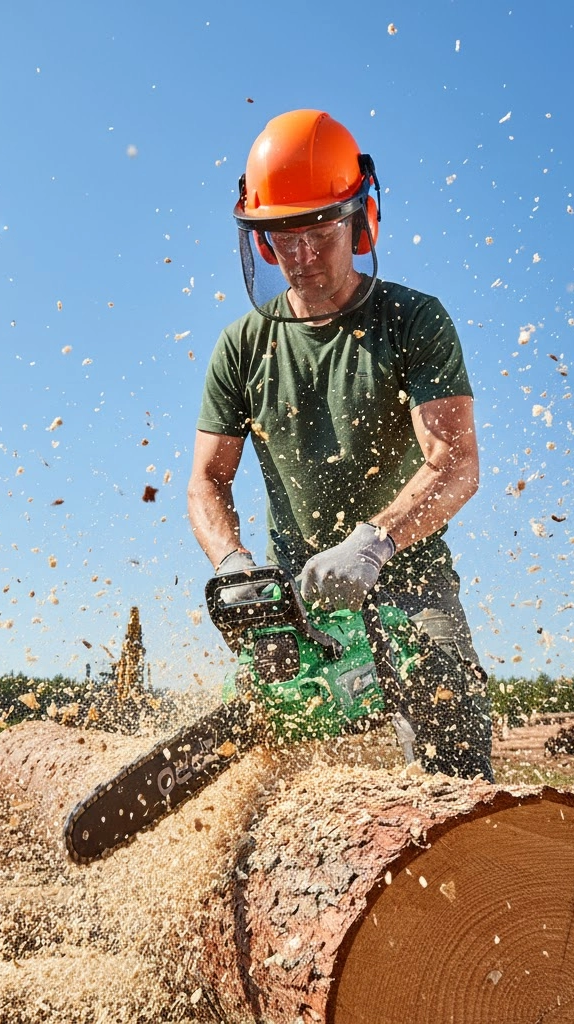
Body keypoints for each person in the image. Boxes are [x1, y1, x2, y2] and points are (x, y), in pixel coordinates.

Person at [187, 109, 492, 781]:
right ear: (260, 243)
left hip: (405, 575)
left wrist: (375, 542)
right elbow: (208, 479)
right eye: (283, 237)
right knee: (255, 751)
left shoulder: (413, 320)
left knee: (447, 696)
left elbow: (458, 464)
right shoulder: (243, 345)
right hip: (297, 593)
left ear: (359, 222)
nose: (301, 256)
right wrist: (233, 563)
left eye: (318, 232)